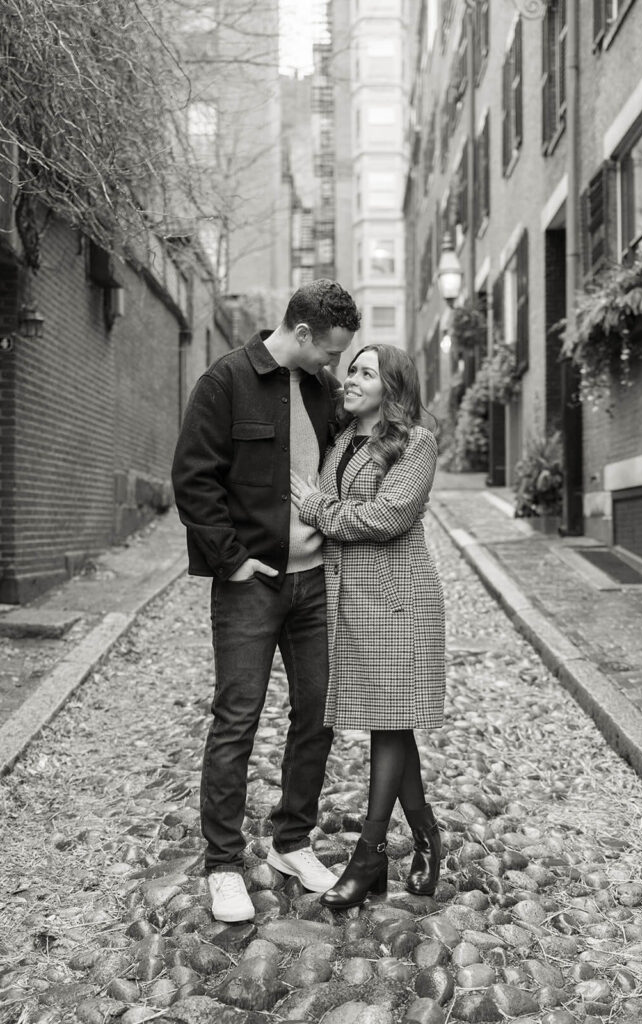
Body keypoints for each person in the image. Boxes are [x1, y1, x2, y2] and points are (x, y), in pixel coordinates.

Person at [171, 279, 361, 923]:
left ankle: (292, 842)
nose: (333, 366)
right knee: (237, 718)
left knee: (318, 713)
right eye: (330, 352)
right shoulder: (224, 382)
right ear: (302, 333)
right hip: (252, 586)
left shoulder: (321, 391)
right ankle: (223, 864)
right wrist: (231, 560)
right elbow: (193, 479)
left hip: (315, 585)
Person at [290, 343, 445, 909]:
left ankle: (369, 852)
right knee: (392, 723)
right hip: (349, 599)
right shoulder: (338, 445)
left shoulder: (416, 443)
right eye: (350, 369)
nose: (351, 378)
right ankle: (426, 835)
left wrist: (318, 513)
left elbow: (386, 518)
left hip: (397, 599)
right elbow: (334, 504)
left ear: (392, 387)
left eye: (365, 372)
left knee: (390, 724)